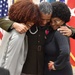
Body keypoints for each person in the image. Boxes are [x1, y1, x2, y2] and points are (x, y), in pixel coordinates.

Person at [0, 2, 52, 75]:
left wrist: (71, 31)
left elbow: (64, 26)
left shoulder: (50, 24)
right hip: (24, 68)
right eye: (42, 19)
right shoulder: (27, 22)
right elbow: (2, 21)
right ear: (37, 14)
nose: (44, 22)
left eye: (47, 20)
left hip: (41, 67)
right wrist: (14, 24)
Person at [44, 1, 73, 75]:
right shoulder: (50, 30)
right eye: (51, 21)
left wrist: (56, 65)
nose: (53, 24)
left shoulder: (60, 31)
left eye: (56, 21)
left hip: (60, 71)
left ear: (63, 20)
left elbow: (65, 52)